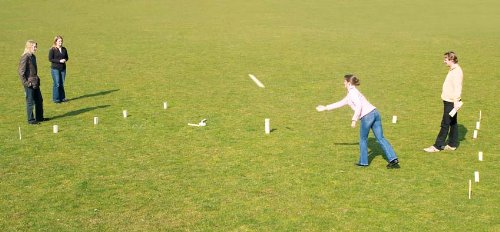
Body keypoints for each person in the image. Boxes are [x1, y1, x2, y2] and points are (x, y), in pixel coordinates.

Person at [316, 74, 400, 168]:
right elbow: (340, 103)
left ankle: (363, 162)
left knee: (363, 140)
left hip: (367, 116)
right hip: (375, 113)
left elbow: (359, 106)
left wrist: (354, 120)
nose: (343, 83)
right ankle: (393, 158)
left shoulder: (352, 94)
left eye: (344, 81)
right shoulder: (352, 93)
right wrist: (325, 108)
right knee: (381, 138)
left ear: (348, 83)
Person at [424, 51, 463, 152]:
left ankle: (437, 146)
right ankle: (452, 144)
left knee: (445, 123)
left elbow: (457, 88)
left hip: (451, 102)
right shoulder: (453, 69)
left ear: (451, 59)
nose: (444, 61)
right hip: (449, 100)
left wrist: (455, 103)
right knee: (453, 122)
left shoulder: (457, 72)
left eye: (445, 59)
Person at [18, 40, 46, 124]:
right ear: (29, 47)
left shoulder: (33, 56)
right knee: (30, 101)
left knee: (39, 100)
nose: (36, 48)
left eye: (36, 46)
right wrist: (26, 83)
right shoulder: (25, 57)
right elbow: (21, 72)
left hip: (35, 82)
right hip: (29, 83)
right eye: (34, 47)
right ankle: (31, 120)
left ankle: (39, 118)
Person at [48, 35, 69, 103]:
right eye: (59, 41)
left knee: (62, 83)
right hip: (55, 69)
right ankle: (56, 99)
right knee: (57, 83)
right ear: (56, 42)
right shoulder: (52, 49)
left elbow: (67, 57)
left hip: (63, 68)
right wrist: (59, 61)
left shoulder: (64, 49)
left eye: (61, 41)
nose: (61, 42)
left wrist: (65, 60)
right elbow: (50, 59)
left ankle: (62, 98)